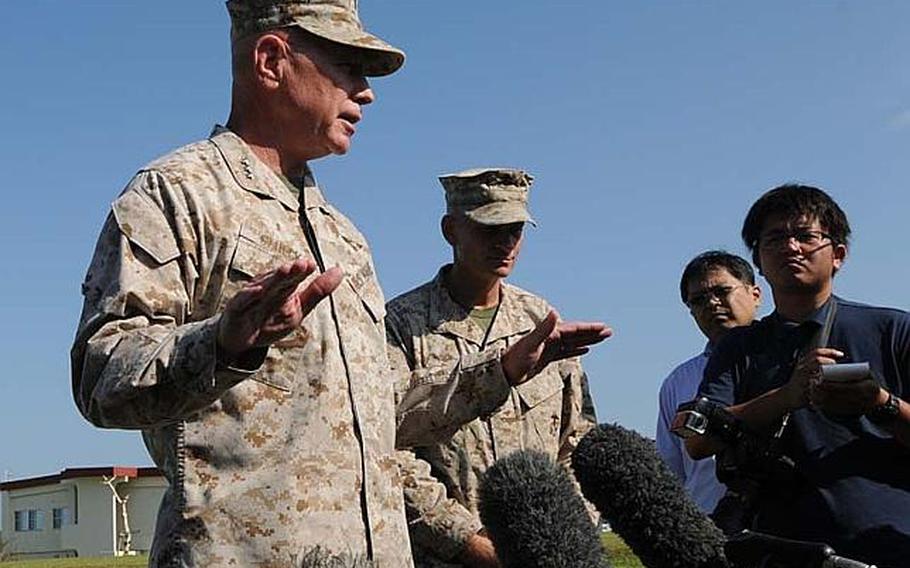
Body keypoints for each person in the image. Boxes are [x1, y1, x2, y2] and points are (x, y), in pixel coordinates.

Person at [70, 1, 415, 565]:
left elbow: (380, 411)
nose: (366, 91)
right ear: (272, 60)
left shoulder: (345, 236)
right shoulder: (177, 194)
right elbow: (100, 372)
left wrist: (497, 373)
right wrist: (222, 343)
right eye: (348, 64)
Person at [386, 168, 611, 567]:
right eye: (490, 229)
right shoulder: (401, 324)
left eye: (515, 230)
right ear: (451, 230)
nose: (505, 242)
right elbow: (387, 445)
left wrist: (560, 535)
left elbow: (575, 441)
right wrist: (466, 539)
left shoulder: (542, 322)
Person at [686, 184, 910, 568]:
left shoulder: (892, 330)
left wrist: (880, 402)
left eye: (806, 236)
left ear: (837, 255)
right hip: (778, 551)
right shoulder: (737, 348)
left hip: (888, 544)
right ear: (757, 259)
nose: (791, 247)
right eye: (774, 237)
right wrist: (786, 396)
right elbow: (697, 441)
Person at [655, 251, 761, 513]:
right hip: (709, 523)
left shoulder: (788, 358)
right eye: (699, 300)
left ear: (755, 294)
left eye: (722, 291)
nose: (712, 304)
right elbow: (671, 471)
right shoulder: (679, 382)